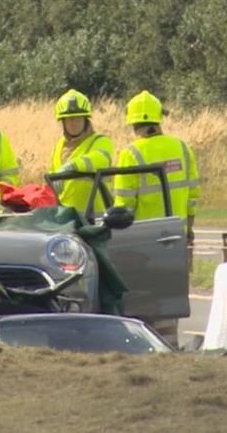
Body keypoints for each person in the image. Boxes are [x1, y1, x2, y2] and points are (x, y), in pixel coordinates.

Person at [113, 90, 199, 346]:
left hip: (144, 240)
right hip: (177, 235)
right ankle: (170, 347)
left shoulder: (131, 154)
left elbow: (123, 204)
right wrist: (188, 229)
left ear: (133, 122)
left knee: (143, 308)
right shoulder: (181, 148)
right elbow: (193, 194)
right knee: (171, 304)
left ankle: (152, 351)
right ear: (159, 119)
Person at [50, 89, 114, 215]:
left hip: (95, 220)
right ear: (63, 122)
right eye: (69, 119)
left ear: (86, 120)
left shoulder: (101, 141)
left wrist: (72, 166)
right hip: (65, 219)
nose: (73, 123)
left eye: (78, 118)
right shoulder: (58, 146)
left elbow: (98, 159)